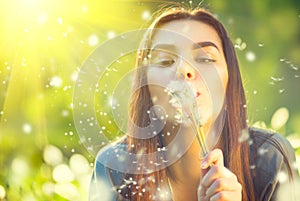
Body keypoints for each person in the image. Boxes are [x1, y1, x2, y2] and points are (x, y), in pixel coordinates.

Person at [89, 7, 300, 201]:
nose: (184, 69)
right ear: (145, 84)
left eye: (206, 58)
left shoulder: (271, 160)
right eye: (164, 61)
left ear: (230, 79)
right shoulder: (114, 168)